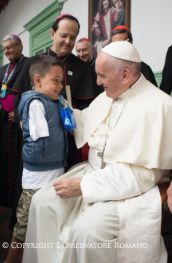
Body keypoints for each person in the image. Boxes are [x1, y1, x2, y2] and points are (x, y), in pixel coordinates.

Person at [23, 41, 172, 263]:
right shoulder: (107, 95)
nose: (97, 81)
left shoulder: (161, 105)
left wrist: (84, 185)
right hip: (91, 171)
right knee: (41, 202)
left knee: (86, 233)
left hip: (130, 189)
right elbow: (88, 121)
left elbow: (143, 174)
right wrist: (61, 108)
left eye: (102, 75)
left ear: (124, 75)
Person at [3, 55, 68, 263]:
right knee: (24, 222)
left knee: (48, 219)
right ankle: (10, 260)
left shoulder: (51, 102)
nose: (60, 86)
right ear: (38, 80)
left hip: (55, 169)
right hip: (37, 175)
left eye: (61, 81)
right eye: (55, 80)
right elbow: (39, 136)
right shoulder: (35, 103)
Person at [0, 35, 34, 234]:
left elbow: (32, 91)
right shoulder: (9, 68)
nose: (6, 52)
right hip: (6, 121)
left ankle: (16, 199)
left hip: (18, 121)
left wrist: (20, 110)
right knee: (5, 158)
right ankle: (6, 196)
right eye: (4, 49)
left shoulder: (28, 64)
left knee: (16, 160)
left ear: (20, 46)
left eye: (9, 48)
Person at [44, 14, 99, 171]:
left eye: (72, 37)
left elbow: (89, 103)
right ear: (52, 33)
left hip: (71, 134)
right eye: (63, 35)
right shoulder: (36, 63)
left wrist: (74, 116)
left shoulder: (82, 68)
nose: (68, 41)